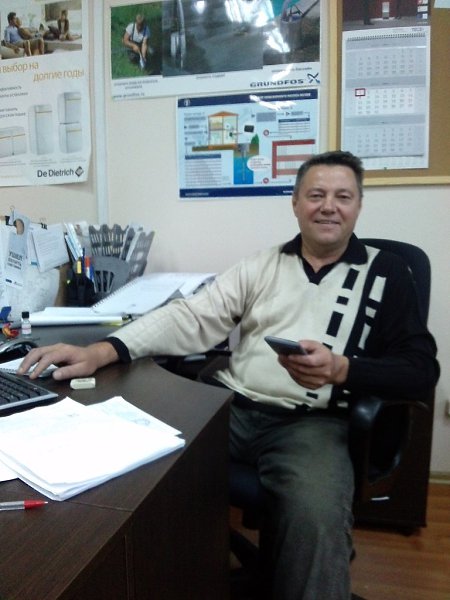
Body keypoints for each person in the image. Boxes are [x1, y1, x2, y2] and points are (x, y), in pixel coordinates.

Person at [19, 151, 439, 599]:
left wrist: (342, 369)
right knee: (138, 461)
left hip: (312, 425)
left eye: (343, 196)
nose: (329, 207)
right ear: (296, 203)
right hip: (233, 408)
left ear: (358, 205)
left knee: (315, 515)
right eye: (316, 195)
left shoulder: (387, 273)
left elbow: (420, 370)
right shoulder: (263, 265)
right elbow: (192, 316)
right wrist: (103, 350)